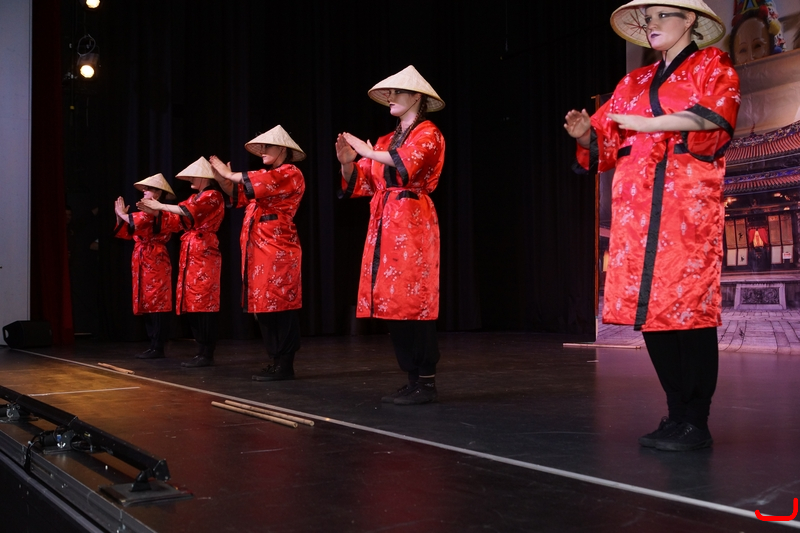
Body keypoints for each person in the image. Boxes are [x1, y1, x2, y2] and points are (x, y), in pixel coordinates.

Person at [564, 0, 740, 451]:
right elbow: (605, 141)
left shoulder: (712, 63)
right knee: (654, 314)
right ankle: (675, 413)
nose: (652, 24)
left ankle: (696, 421)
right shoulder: (633, 81)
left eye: (663, 15)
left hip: (685, 206)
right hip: (636, 210)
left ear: (690, 20)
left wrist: (649, 123)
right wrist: (585, 134)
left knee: (688, 310)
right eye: (649, 18)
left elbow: (716, 118)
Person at [335, 65, 445, 405]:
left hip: (412, 221)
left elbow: (407, 163)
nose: (390, 98)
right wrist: (347, 163)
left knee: (414, 299)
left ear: (417, 97)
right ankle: (411, 377)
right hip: (384, 222)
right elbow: (365, 182)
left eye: (397, 92)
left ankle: (426, 381)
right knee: (393, 302)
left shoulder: (428, 133)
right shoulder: (384, 140)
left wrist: (367, 153)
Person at [209, 126, 305, 381]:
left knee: (280, 304)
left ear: (282, 149)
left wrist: (229, 174)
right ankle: (276, 360)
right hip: (259, 249)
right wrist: (222, 179)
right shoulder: (265, 180)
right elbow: (239, 193)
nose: (262, 151)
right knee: (263, 305)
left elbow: (259, 180)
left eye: (267, 147)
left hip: (278, 248)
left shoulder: (290, 172)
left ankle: (285, 363)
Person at [139, 157, 225, 368]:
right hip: (192, 252)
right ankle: (202, 350)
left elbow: (188, 211)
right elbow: (177, 220)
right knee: (193, 302)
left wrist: (161, 206)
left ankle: (207, 352)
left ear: (203, 177)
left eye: (193, 177)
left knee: (204, 300)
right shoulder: (194, 197)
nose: (190, 180)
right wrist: (157, 212)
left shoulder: (212, 195)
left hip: (204, 251)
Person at [113, 173, 176, 359]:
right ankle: (153, 343)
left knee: (157, 300)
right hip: (142, 257)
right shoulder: (145, 211)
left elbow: (141, 222)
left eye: (148, 189)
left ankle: (158, 345)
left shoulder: (160, 212)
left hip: (156, 258)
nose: (145, 191)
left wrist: (123, 215)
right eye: (145, 189)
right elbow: (128, 231)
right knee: (147, 300)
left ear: (158, 193)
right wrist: (120, 217)